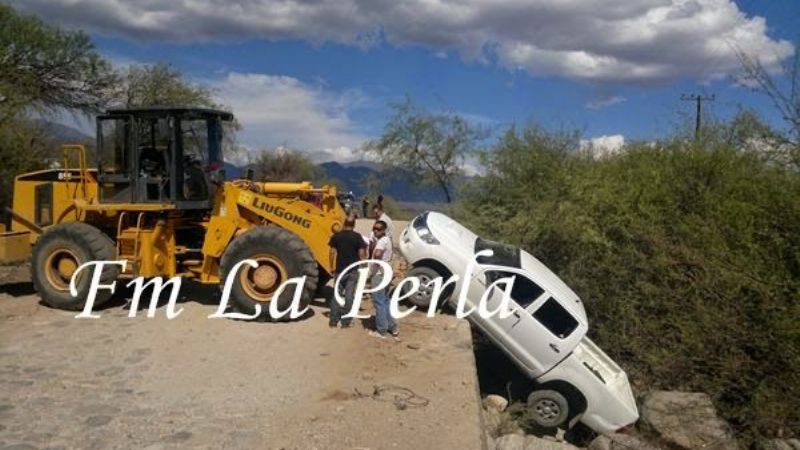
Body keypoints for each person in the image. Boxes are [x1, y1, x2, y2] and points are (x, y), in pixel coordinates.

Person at [328, 215, 367, 328]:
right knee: (349, 296)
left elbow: (332, 252)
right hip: (353, 270)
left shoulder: (337, 236)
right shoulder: (357, 237)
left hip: (339, 270)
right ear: (354, 225)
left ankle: (333, 321)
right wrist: (364, 266)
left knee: (337, 295)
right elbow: (361, 254)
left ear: (344, 223)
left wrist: (331, 266)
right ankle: (345, 322)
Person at [368, 220, 398, 338]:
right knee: (385, 301)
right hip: (387, 273)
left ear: (384, 230)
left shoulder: (381, 242)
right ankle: (393, 327)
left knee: (379, 302)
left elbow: (378, 254)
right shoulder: (388, 240)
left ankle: (382, 330)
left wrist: (377, 264)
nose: (375, 230)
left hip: (379, 275)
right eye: (374, 228)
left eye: (378, 229)